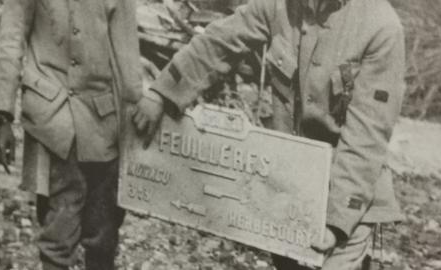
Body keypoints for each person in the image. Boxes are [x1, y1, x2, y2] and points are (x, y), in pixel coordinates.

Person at [133, 0, 406, 269]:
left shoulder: (380, 26)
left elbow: (366, 137)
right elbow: (218, 43)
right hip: (286, 189)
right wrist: (162, 92)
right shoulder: (280, 6)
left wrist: (336, 222)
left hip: (346, 194)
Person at [0, 0, 155, 269]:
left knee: (103, 233)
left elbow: (128, 62)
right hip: (53, 117)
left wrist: (134, 130)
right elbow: (11, 36)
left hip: (104, 120)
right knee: (59, 230)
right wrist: (3, 115)